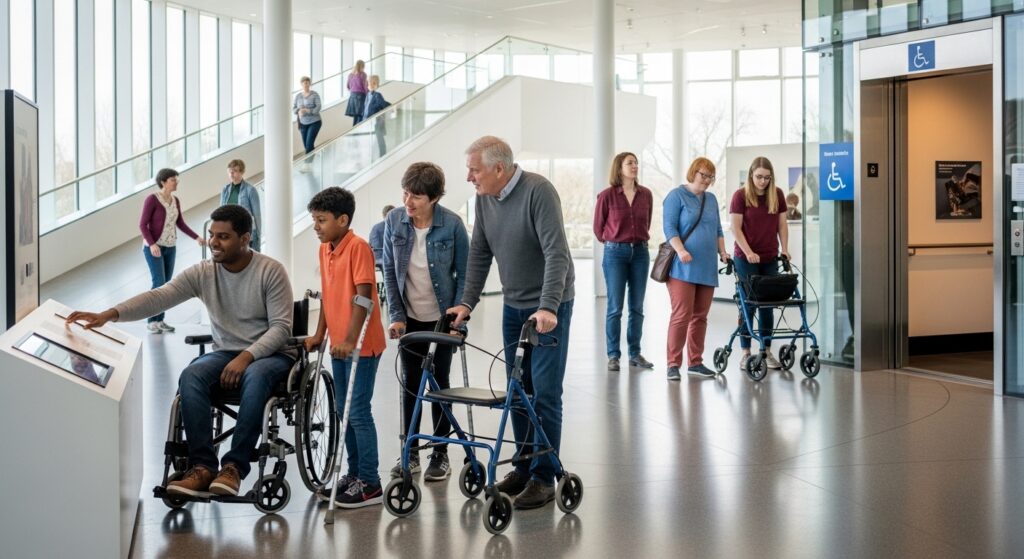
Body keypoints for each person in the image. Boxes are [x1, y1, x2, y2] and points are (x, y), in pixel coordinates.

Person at [67, 205, 296, 498]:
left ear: (245, 238)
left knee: (256, 377)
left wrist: (247, 356)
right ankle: (201, 467)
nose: (214, 242)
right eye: (212, 235)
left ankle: (234, 468)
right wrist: (109, 314)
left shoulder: (270, 271)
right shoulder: (204, 272)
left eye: (223, 236)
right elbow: (159, 297)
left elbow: (280, 329)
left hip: (271, 355)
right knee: (191, 376)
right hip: (227, 352)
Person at [447, 136, 574, 510]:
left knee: (545, 392)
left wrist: (549, 306)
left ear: (498, 168)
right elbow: (480, 253)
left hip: (549, 308)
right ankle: (523, 465)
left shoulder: (539, 192)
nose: (469, 177)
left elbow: (557, 254)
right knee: (518, 391)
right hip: (514, 305)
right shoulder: (485, 199)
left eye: (474, 169)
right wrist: (466, 303)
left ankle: (544, 476)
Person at [382, 162, 469, 482]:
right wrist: (396, 316)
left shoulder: (453, 225)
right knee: (410, 382)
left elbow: (465, 275)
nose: (408, 202)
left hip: (441, 317)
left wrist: (458, 314)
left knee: (439, 381)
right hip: (409, 316)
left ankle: (441, 452)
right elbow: (390, 273)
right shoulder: (394, 221)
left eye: (416, 196)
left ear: (433, 198)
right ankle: (410, 451)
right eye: (405, 193)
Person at [303, 187, 387, 509]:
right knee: (342, 411)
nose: (316, 227)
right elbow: (327, 296)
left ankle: (370, 482)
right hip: (340, 344)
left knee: (358, 411)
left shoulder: (358, 248)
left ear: (343, 219)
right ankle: (353, 475)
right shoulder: (325, 249)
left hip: (362, 345)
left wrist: (351, 339)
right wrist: (319, 334)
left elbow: (363, 298)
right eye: (314, 220)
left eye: (321, 220)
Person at [663, 157, 729, 380]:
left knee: (700, 316)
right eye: (704, 175)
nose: (707, 180)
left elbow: (718, 229)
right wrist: (681, 250)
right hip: (683, 267)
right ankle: (673, 364)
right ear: (693, 172)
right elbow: (669, 228)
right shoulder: (676, 196)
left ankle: (696, 362)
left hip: (706, 266)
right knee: (682, 315)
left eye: (711, 176)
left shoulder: (711, 199)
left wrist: (723, 251)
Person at [593, 152, 654, 372]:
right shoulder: (607, 195)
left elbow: (647, 221)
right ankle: (613, 355)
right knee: (615, 308)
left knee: (637, 307)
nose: (635, 165)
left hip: (640, 253)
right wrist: (614, 241)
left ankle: (635, 353)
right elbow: (598, 229)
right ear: (619, 168)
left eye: (636, 162)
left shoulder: (646, 194)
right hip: (615, 254)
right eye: (630, 163)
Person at [730, 157, 789, 371]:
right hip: (746, 258)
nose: (762, 181)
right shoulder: (740, 196)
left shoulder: (778, 195)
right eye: (758, 177)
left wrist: (785, 248)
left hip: (769, 257)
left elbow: (782, 225)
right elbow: (735, 228)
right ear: (751, 175)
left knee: (767, 306)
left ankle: (766, 350)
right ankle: (746, 353)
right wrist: (748, 251)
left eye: (766, 177)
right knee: (749, 304)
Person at [139, 168, 205, 334]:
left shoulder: (175, 200)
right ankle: (151, 321)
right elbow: (142, 225)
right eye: (173, 180)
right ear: (163, 182)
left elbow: (180, 223)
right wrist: (152, 244)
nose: (177, 182)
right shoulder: (152, 199)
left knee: (167, 286)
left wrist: (196, 237)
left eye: (176, 179)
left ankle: (160, 320)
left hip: (170, 246)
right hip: (153, 247)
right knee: (158, 282)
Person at [220, 159, 262, 251]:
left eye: (234, 171)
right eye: (230, 171)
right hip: (230, 233)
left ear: (242, 172)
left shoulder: (250, 190)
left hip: (245, 233)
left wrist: (258, 237)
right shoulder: (225, 190)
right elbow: (221, 213)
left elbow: (257, 215)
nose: (231, 174)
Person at [363, 74, 391, 157]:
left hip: (376, 122)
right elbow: (366, 108)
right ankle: (373, 155)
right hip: (368, 121)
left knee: (379, 138)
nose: (367, 84)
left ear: (375, 84)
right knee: (372, 139)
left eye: (369, 83)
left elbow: (384, 105)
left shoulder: (377, 95)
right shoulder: (368, 95)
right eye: (367, 82)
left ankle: (383, 154)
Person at [293, 76, 322, 155]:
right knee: (307, 146)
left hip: (315, 122)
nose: (306, 85)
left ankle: (307, 164)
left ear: (310, 84)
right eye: (304, 83)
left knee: (309, 145)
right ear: (301, 84)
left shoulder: (314, 94)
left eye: (307, 83)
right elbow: (294, 108)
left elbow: (318, 107)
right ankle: (313, 162)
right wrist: (299, 111)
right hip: (302, 123)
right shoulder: (298, 96)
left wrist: (307, 110)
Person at [346, 60, 368, 126]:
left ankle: (354, 132)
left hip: (352, 97)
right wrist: (368, 94)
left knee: (356, 117)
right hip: (360, 96)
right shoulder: (363, 74)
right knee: (361, 115)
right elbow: (365, 86)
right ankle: (358, 131)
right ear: (362, 66)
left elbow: (348, 86)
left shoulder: (350, 75)